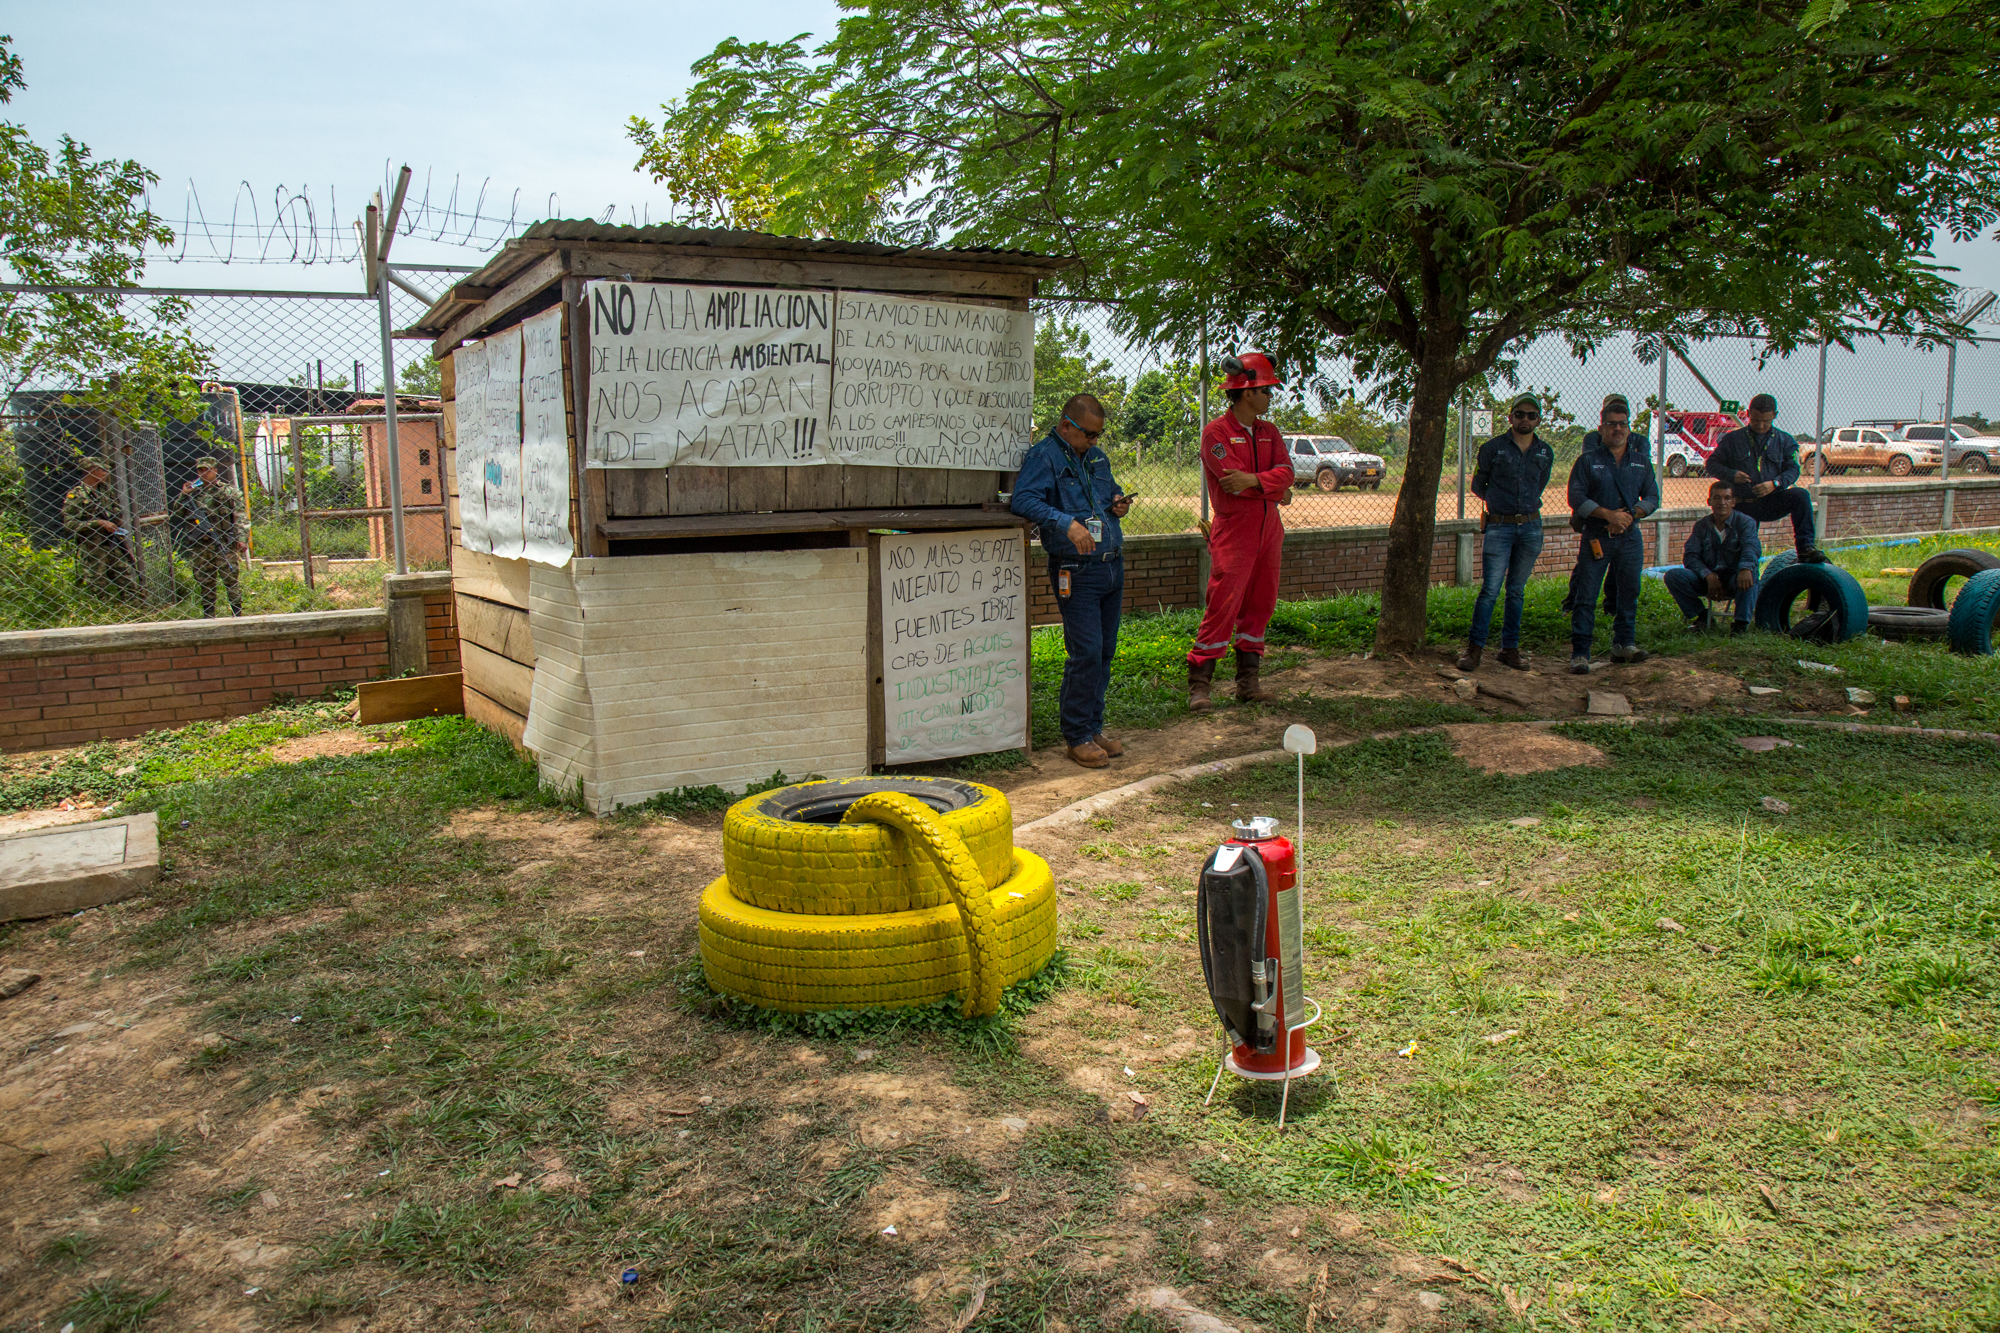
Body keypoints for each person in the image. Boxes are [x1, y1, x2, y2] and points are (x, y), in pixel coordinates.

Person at [1011, 393, 1133, 768]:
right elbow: (1023, 500)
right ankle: (1076, 735)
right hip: (1075, 570)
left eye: (1099, 435)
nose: (1095, 442)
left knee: (1106, 652)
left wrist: (1118, 503)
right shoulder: (1043, 456)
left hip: (1111, 564)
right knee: (1086, 652)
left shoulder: (1096, 457)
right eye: (1089, 435)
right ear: (1067, 426)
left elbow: (1108, 491)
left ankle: (1094, 728)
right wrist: (1066, 522)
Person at [1187, 350, 1294, 711]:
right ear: (1248, 392)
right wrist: (1276, 489)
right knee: (1223, 605)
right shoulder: (1215, 433)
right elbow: (1232, 482)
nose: (1270, 397)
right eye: (1267, 391)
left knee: (1261, 604)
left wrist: (1257, 481)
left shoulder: (1270, 432)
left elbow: (1289, 473)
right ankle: (1200, 684)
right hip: (1235, 531)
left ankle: (1248, 682)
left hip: (1269, 531)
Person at [1458, 395, 1555, 671]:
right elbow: (1479, 484)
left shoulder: (1545, 452)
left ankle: (1509, 649)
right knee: (1490, 589)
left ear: (1538, 420)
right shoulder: (1492, 448)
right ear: (1510, 417)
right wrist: (1499, 503)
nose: (1525, 419)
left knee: (1516, 591)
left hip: (1531, 527)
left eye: (1531, 415)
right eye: (1520, 414)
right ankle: (1474, 650)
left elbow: (1540, 485)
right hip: (1499, 526)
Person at [1566, 394, 1660, 673]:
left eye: (1622, 424)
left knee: (1629, 592)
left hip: (1630, 537)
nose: (1617, 429)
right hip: (1596, 536)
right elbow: (1576, 498)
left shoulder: (1641, 461)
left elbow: (1653, 497)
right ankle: (1580, 653)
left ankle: (1624, 645)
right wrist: (1608, 515)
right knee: (1586, 593)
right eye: (1611, 424)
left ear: (1629, 428)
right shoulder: (1587, 461)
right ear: (1601, 429)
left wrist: (1631, 516)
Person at [1704, 393, 1827, 564]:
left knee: (1800, 496)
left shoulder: (1785, 440)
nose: (1760, 426)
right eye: (1755, 421)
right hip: (1742, 503)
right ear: (1748, 414)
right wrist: (1732, 475)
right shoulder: (1733, 440)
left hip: (1772, 500)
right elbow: (1711, 464)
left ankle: (1806, 548)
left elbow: (1793, 470)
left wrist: (1775, 484)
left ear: (1775, 416)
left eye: (1766, 421)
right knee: (1742, 553)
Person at [1664, 480, 1761, 633]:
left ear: (1733, 502)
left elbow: (1752, 548)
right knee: (1673, 576)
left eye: (1727, 498)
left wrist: (1745, 568)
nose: (1722, 502)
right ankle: (1703, 617)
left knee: (1750, 573)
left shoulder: (1745, 522)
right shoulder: (1701, 526)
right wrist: (1709, 576)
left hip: (1734, 578)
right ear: (1709, 501)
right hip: (1707, 579)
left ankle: (1741, 625)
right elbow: (1690, 556)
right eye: (1717, 498)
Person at [172, 456, 247, 617]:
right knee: (205, 582)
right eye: (200, 470)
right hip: (201, 545)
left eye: (207, 470)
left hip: (223, 542)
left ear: (215, 470)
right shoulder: (193, 493)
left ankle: (237, 614)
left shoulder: (228, 491)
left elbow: (240, 515)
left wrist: (241, 538)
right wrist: (184, 495)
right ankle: (208, 616)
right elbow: (178, 513)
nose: (204, 473)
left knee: (230, 580)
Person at [62, 457, 136, 599]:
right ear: (92, 471)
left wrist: (114, 523)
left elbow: (117, 513)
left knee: (127, 581)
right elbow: (70, 524)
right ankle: (102, 614)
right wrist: (98, 523)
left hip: (113, 543)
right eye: (102, 470)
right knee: (97, 585)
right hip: (93, 547)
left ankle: (133, 610)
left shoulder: (107, 492)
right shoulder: (76, 495)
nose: (106, 473)